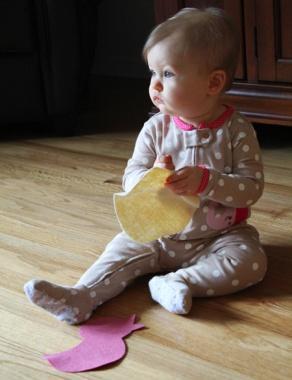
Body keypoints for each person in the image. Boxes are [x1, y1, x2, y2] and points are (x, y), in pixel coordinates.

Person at [24, 7, 267, 324]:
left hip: (218, 238)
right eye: (152, 73)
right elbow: (131, 175)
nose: (155, 85)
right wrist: (150, 177)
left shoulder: (236, 131)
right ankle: (81, 296)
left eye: (167, 74)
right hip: (158, 234)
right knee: (120, 247)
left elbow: (251, 189)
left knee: (252, 262)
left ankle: (178, 282)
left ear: (213, 82)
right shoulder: (155, 128)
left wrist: (208, 182)